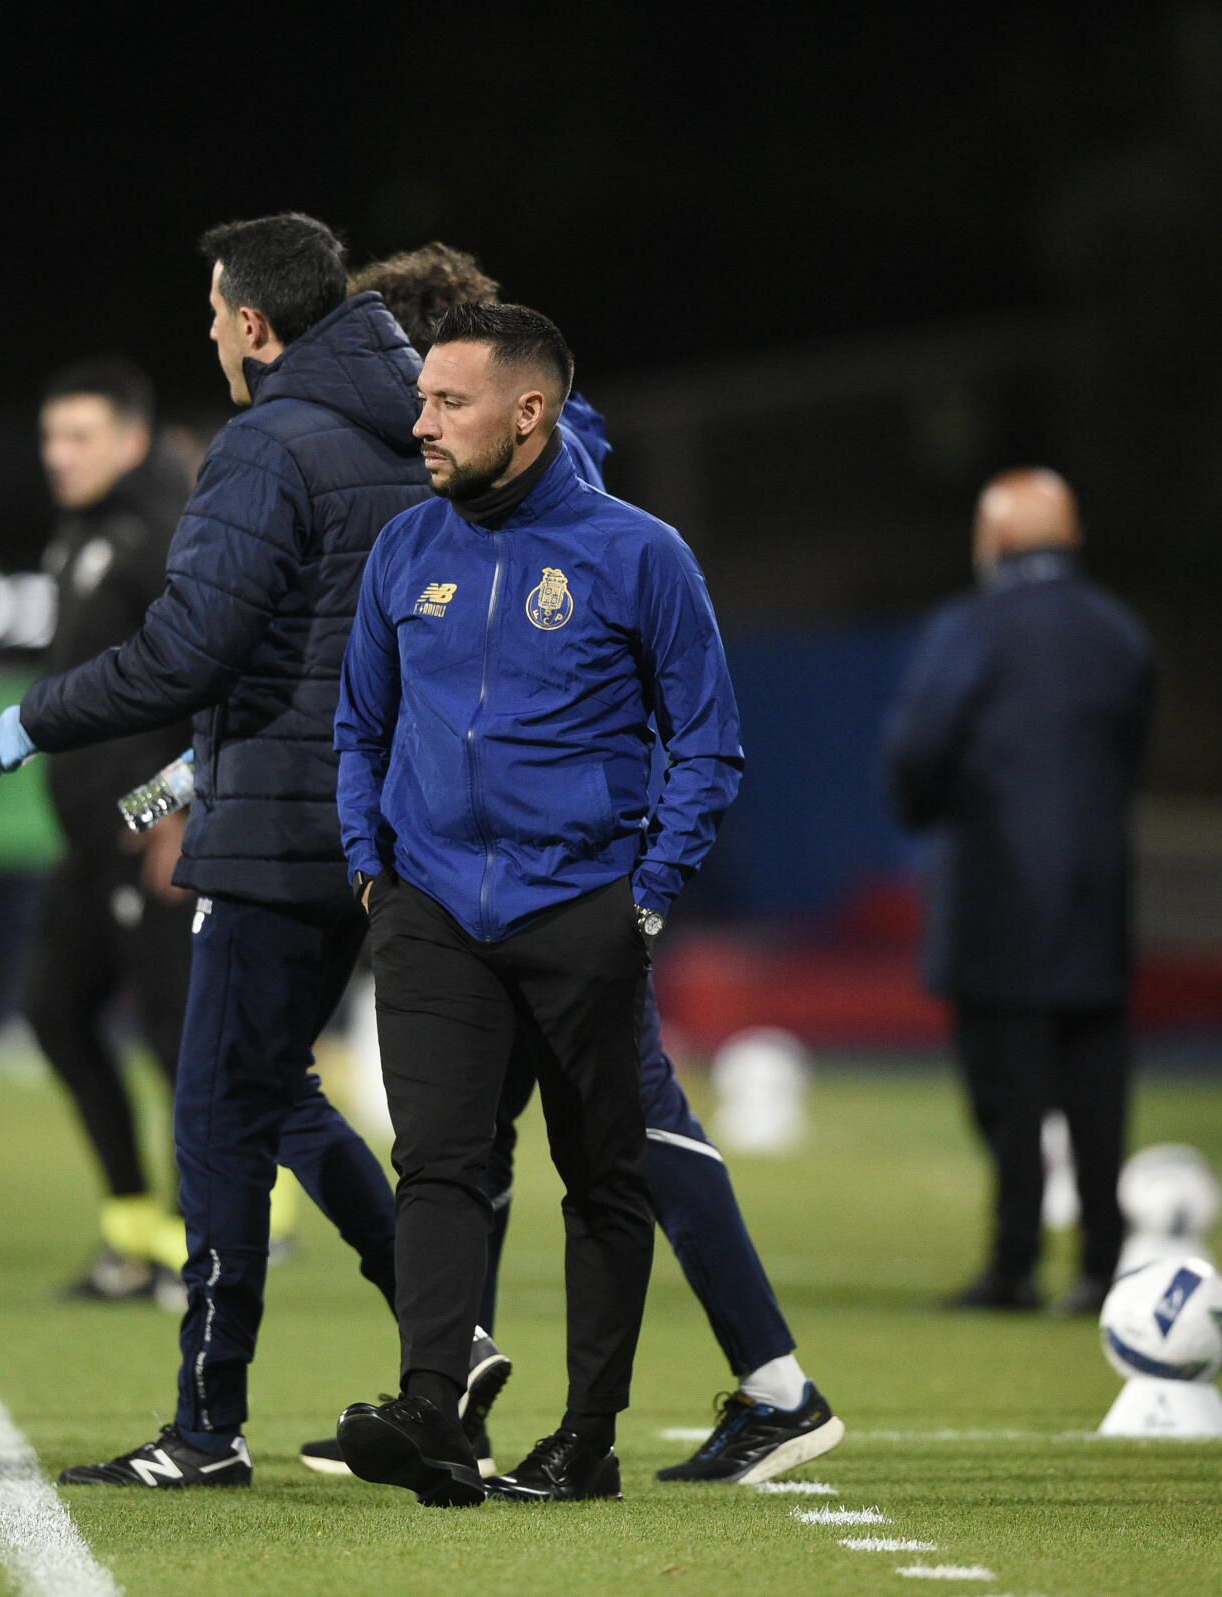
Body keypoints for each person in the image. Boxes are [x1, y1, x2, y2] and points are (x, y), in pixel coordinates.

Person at [0, 213, 493, 1489]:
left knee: (216, 1117)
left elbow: (192, 649)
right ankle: (452, 1343)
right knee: (276, 1093)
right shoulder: (412, 428)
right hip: (392, 816)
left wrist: (34, 717)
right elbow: (325, 645)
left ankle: (206, 1425)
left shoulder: (265, 443)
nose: (210, 333)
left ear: (254, 325)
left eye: (215, 313)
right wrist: (183, 778)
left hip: (278, 834)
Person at [308, 242, 837, 1485]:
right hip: (436, 894)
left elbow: (701, 730)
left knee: (613, 1156)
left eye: (436, 393)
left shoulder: (622, 535)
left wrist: (646, 897)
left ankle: (656, 1413)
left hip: (580, 894)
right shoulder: (415, 534)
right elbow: (364, 718)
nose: (411, 414)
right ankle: (437, 1401)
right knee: (446, 1154)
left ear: (520, 402)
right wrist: (370, 860)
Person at [882, 469, 1154, 1315]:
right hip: (1097, 900)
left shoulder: (971, 628)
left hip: (993, 902)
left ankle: (1013, 1261)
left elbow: (916, 751)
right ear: (1071, 537)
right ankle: (1105, 1265)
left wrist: (930, 815)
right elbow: (1134, 751)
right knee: (1098, 1095)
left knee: (1006, 1095)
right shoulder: (1120, 631)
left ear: (995, 542)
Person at [23, 358, 198, 1302]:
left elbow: (219, 675)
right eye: (51, 436)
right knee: (54, 1010)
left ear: (133, 439)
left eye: (80, 436)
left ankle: (196, 1249)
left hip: (151, 834)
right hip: (94, 841)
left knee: (182, 1041)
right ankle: (135, 1232)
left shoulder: (166, 534)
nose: (58, 455)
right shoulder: (87, 533)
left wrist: (177, 802)